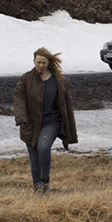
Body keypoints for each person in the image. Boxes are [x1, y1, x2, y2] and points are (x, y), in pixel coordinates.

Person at [14, 47, 78, 193]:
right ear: (33, 61)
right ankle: (38, 188)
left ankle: (44, 181)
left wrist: (69, 124)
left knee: (43, 147)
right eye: (38, 62)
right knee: (34, 155)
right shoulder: (26, 79)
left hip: (52, 121)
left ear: (49, 63)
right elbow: (19, 99)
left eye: (43, 62)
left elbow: (67, 103)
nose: (40, 65)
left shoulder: (59, 80)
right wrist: (21, 117)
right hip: (30, 123)